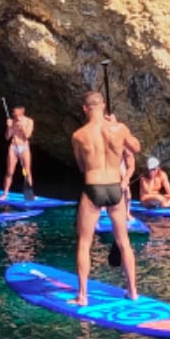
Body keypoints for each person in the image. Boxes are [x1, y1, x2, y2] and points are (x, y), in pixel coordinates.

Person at [71, 90, 138, 307]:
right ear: (104, 106)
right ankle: (133, 291)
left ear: (85, 109)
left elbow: (81, 166)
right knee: (124, 242)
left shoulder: (78, 135)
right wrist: (117, 125)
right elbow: (136, 147)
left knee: (84, 243)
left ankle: (82, 296)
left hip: (93, 187)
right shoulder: (119, 128)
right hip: (115, 188)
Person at [0, 104, 36, 199]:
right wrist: (9, 127)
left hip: (24, 147)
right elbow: (7, 137)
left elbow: (28, 135)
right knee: (9, 172)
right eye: (12, 112)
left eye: (14, 111)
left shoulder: (29, 121)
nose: (13, 113)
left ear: (21, 111)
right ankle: (5, 193)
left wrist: (22, 126)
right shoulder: (11, 121)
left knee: (28, 172)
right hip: (13, 147)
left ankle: (30, 194)